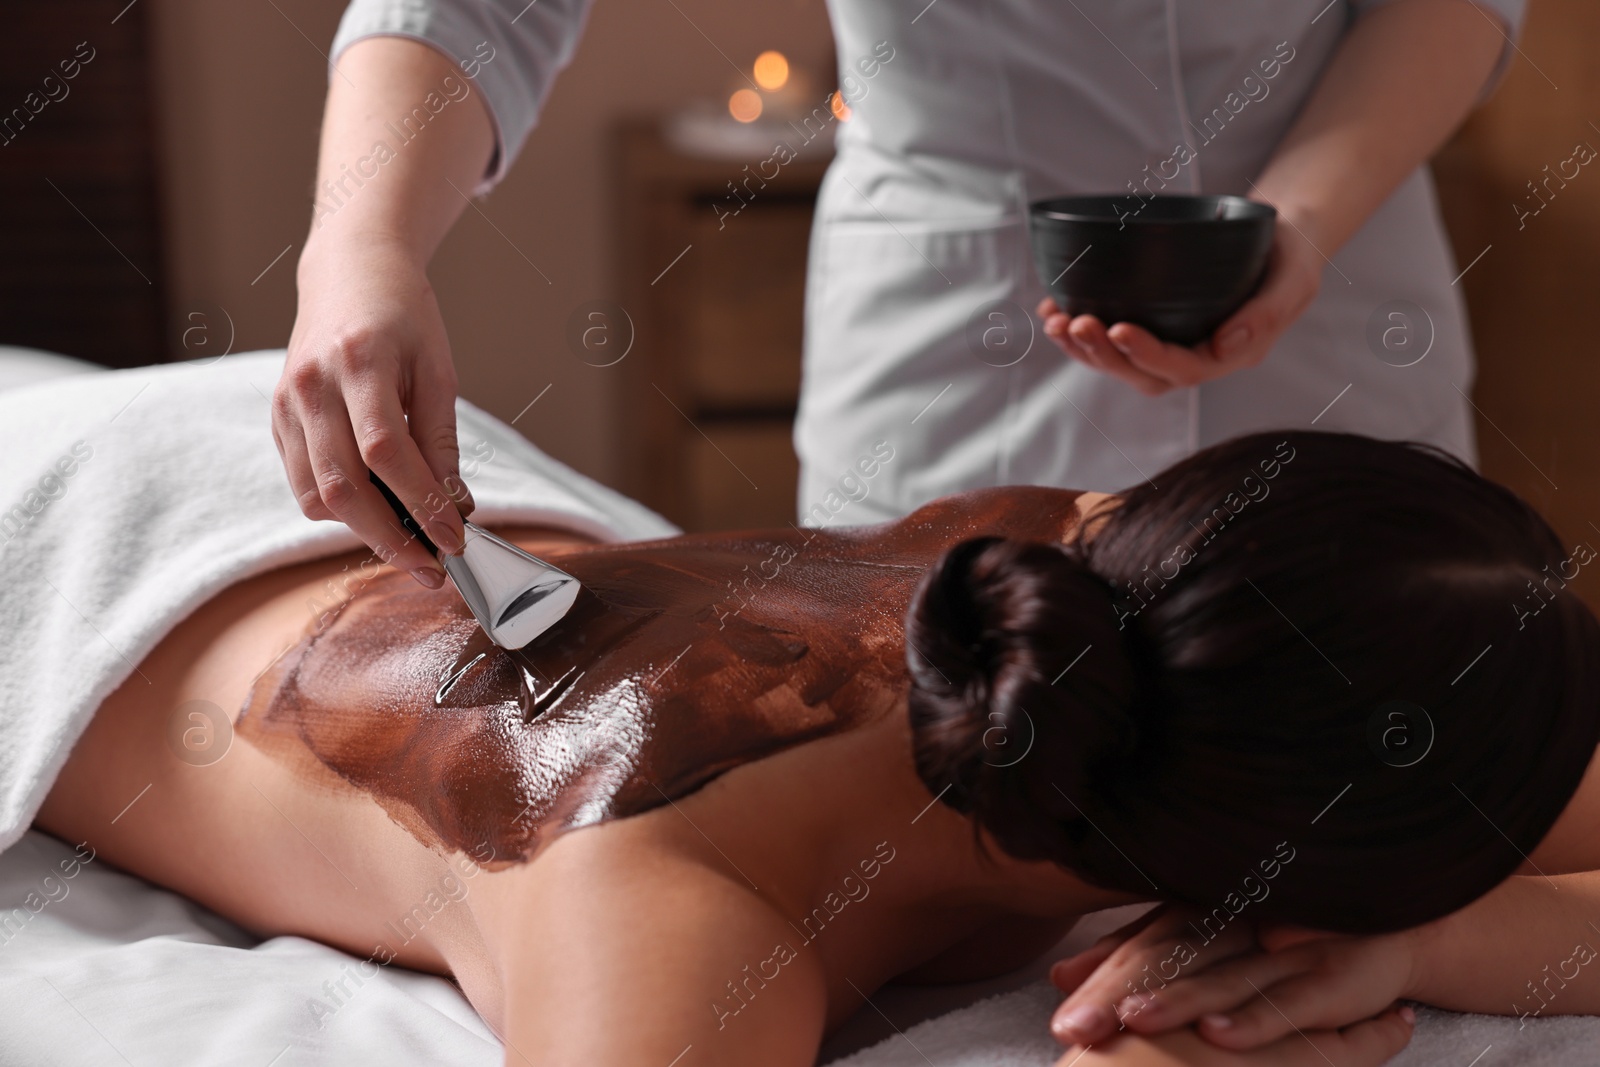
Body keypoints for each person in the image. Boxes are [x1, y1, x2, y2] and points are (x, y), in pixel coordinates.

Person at [31, 409, 1600, 1066]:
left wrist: (1425, 949)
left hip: (459, 510)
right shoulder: (668, 913)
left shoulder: (1122, 576)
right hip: (70, 542)